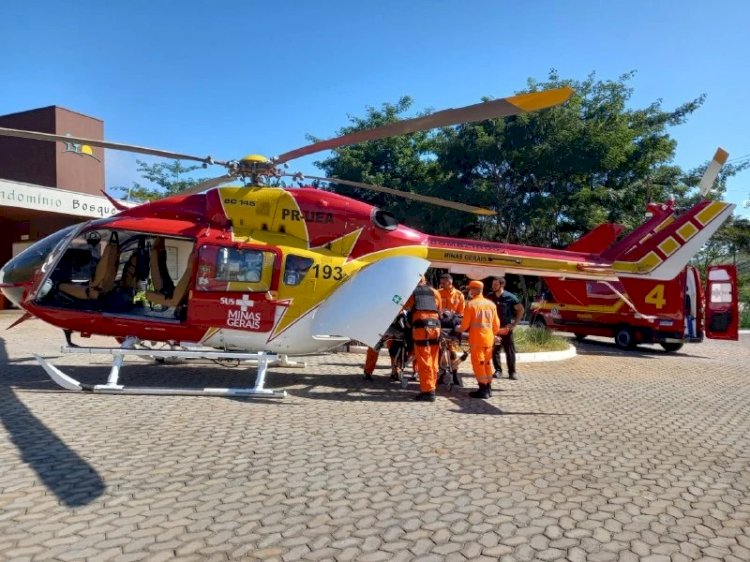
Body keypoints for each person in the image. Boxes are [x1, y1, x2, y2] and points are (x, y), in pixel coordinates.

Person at [458, 280, 500, 399]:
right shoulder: (491, 304)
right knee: (486, 363)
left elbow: (464, 326)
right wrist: (493, 335)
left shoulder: (471, 304)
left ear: (475, 290)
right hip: (489, 339)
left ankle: (483, 390)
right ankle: (488, 388)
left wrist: (457, 329)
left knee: (478, 364)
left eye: (471, 289)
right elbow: (496, 325)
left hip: (477, 340)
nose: (469, 291)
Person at [403, 276, 442, 402]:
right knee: (433, 359)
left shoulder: (412, 292)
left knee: (424, 360)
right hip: (435, 328)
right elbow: (439, 310)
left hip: (421, 329)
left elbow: (404, 306)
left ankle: (428, 391)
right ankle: (432, 386)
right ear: (424, 280)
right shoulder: (435, 292)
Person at [486, 276, 524, 380]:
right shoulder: (490, 297)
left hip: (506, 329)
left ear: (502, 285)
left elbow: (520, 310)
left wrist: (514, 324)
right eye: (493, 284)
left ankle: (512, 372)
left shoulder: (510, 297)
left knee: (509, 351)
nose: (493, 286)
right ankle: (498, 371)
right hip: (494, 329)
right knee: (495, 350)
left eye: (496, 284)